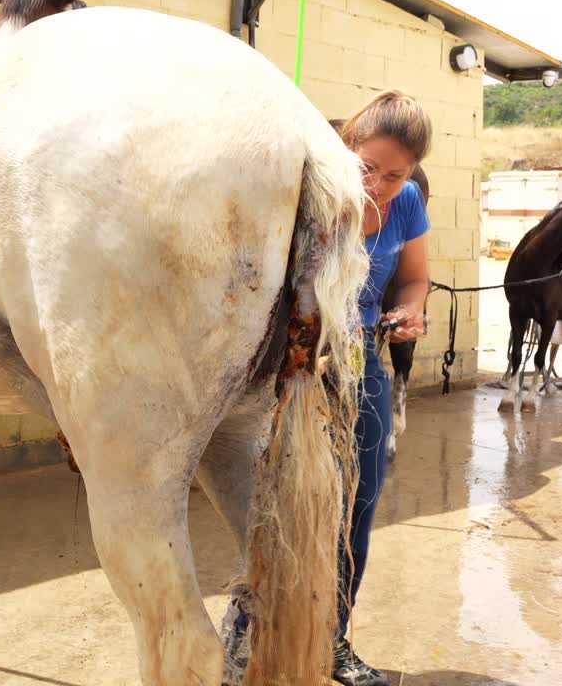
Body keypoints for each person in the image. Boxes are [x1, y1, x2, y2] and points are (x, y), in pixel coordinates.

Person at [223, 89, 432, 686]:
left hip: (361, 359)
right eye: (369, 168)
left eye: (398, 173)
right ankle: (244, 635)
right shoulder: (305, 188)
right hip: (292, 362)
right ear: (345, 148)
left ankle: (331, 639)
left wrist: (409, 313)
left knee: (355, 509)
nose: (382, 184)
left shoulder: (409, 201)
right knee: (276, 502)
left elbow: (413, 280)